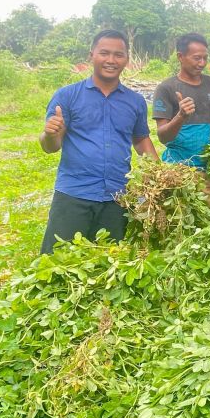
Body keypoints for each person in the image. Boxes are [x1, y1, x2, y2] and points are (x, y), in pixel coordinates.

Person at [38, 29, 157, 254]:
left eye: (118, 54)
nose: (111, 60)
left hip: (117, 197)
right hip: (73, 195)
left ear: (127, 60)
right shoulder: (67, 96)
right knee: (58, 264)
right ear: (91, 54)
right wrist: (50, 134)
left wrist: (160, 176)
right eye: (104, 53)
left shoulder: (135, 102)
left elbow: (141, 140)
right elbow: (50, 147)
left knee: (110, 264)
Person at [151, 32, 210, 169]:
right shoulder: (166, 88)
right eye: (197, 58)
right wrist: (181, 116)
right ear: (180, 57)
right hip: (178, 169)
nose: (202, 63)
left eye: (205, 58)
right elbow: (162, 137)